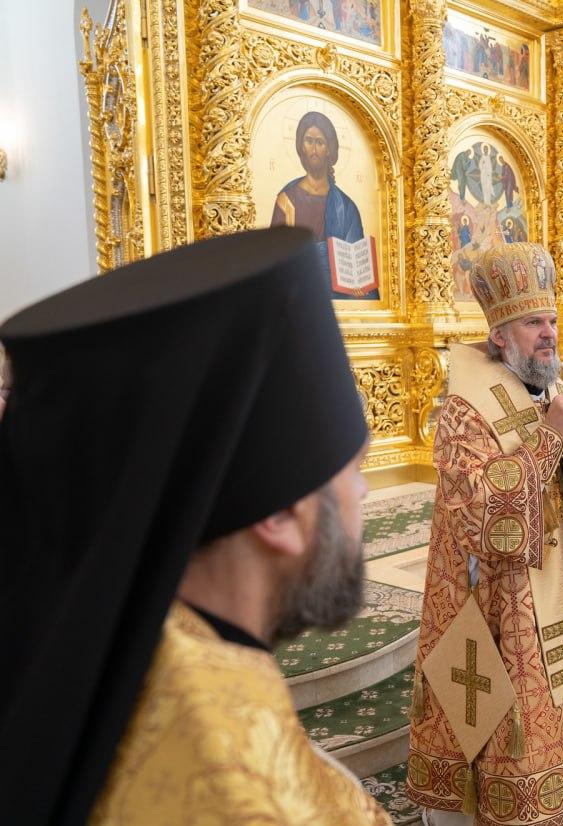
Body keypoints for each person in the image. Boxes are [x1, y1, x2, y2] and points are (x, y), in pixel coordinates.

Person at [0, 227, 389, 824]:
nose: (363, 492)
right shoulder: (237, 792)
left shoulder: (102, 659)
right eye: (355, 470)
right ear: (280, 514)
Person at [407, 243, 563, 825]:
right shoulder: (466, 409)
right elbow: (483, 513)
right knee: (509, 728)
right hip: (502, 603)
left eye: (553, 321)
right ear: (500, 336)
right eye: (533, 323)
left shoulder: (555, 390)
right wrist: (549, 438)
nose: (549, 334)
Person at [269, 111, 374, 299]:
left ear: (329, 150)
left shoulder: (346, 206)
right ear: (301, 146)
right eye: (309, 141)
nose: (314, 148)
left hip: (342, 298)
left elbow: (357, 264)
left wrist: (360, 285)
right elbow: (276, 262)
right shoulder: (287, 200)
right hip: (300, 295)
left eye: (320, 142)